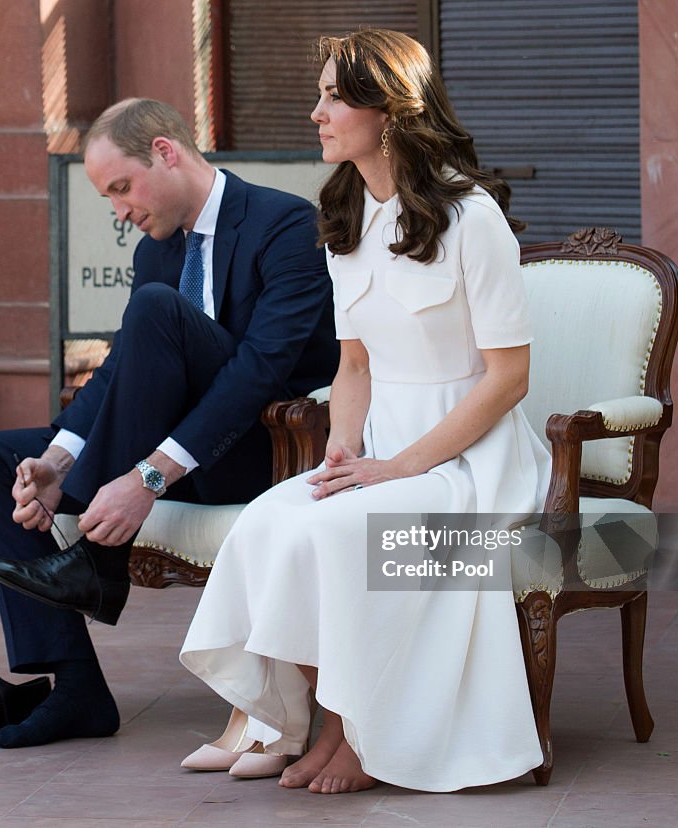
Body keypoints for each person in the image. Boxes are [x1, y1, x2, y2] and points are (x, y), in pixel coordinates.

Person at [179, 29, 551, 794]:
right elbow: (354, 363)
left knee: (345, 531)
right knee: (272, 521)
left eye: (333, 97)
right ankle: (325, 721)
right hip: (381, 448)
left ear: (390, 111)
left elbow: (509, 379)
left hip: (474, 464)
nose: (315, 113)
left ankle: (361, 736)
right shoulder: (348, 216)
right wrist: (342, 453)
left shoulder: (470, 217)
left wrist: (404, 466)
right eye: (319, 95)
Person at [0, 98, 339, 749]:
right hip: (166, 453)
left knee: (155, 311)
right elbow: (118, 374)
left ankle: (94, 559)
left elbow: (260, 370)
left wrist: (143, 478)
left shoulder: (285, 224)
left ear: (166, 152)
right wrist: (58, 463)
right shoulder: (157, 251)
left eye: (121, 188)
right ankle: (77, 688)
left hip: (264, 452)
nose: (119, 211)